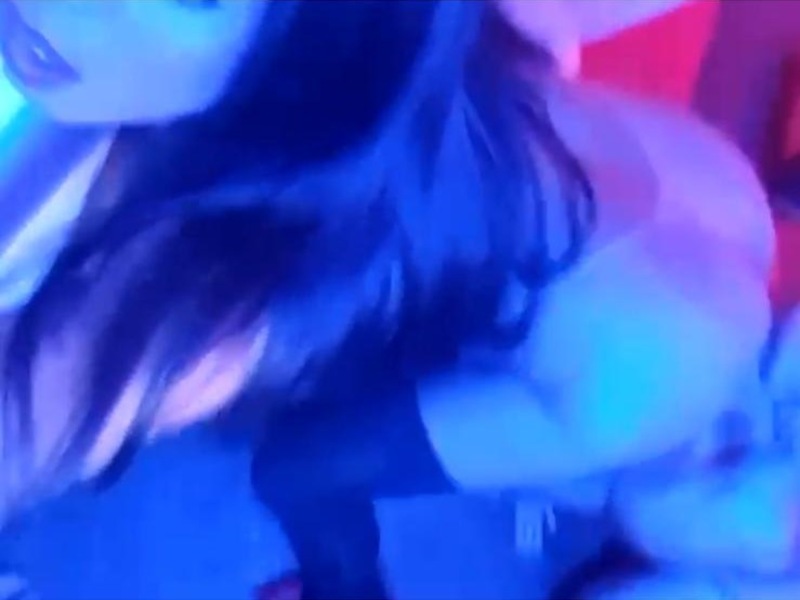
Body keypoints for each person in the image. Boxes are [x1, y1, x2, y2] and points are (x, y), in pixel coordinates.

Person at [0, 0, 789, 598]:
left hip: (457, 111)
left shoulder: (741, 209)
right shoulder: (636, 397)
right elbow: (309, 465)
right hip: (357, 197)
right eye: (754, 576)